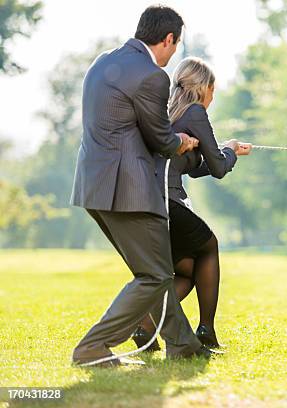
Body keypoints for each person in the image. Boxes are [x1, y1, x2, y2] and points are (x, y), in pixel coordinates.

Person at [70, 5, 213, 366]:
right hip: (129, 189)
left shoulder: (102, 61)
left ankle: (182, 344)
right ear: (167, 39)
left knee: (157, 269)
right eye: (175, 45)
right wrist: (181, 141)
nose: (173, 53)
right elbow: (160, 138)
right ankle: (92, 346)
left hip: (94, 185)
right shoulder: (152, 75)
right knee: (153, 274)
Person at [132, 57, 251, 351]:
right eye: (213, 90)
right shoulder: (196, 112)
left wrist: (223, 154)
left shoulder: (170, 113)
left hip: (151, 201)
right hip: (167, 201)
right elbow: (220, 168)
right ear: (204, 88)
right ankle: (206, 330)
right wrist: (231, 150)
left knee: (187, 270)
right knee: (209, 245)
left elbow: (196, 166)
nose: (213, 97)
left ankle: (145, 329)